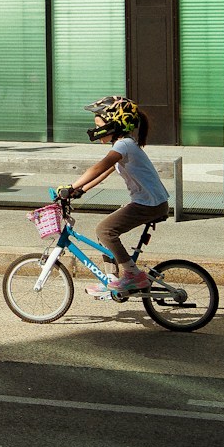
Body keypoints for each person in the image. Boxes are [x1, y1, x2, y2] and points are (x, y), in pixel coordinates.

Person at [58, 95, 171, 297]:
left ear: (113, 124)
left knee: (105, 230)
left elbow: (99, 166)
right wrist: (81, 190)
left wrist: (71, 186)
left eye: (98, 124)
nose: (95, 129)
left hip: (150, 204)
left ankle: (133, 274)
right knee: (105, 232)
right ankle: (112, 280)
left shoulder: (123, 146)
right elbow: (104, 172)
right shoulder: (125, 145)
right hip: (150, 202)